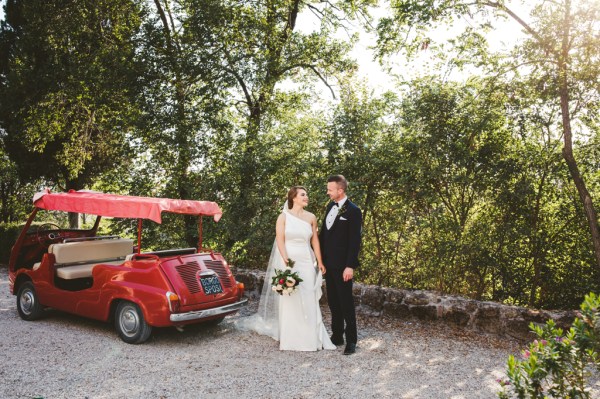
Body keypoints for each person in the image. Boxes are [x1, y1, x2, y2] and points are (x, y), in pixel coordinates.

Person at [238, 186, 335, 351]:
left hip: (305, 260)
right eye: (303, 195)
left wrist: (320, 261)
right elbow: (280, 239)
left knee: (308, 295)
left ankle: (311, 337)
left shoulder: (311, 217)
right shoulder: (283, 217)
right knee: (291, 296)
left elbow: (315, 241)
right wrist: (285, 259)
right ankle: (291, 338)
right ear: (294, 198)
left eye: (307, 194)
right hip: (289, 259)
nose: (306, 197)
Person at [319, 175, 362, 355]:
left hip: (343, 266)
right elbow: (324, 235)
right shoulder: (330, 206)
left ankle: (351, 340)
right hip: (328, 263)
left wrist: (350, 266)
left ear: (340, 190)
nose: (328, 192)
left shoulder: (353, 211)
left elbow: (355, 240)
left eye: (330, 189)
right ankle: (337, 336)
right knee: (334, 303)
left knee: (346, 303)